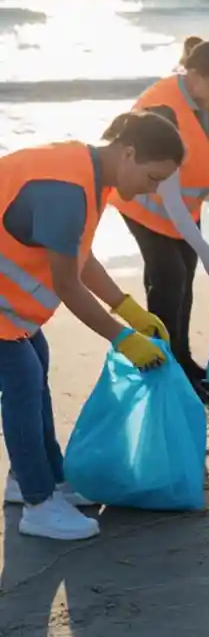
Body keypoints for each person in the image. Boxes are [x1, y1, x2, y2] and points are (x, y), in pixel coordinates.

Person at [0, 112, 185, 540]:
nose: (153, 190)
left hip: (8, 308)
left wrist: (127, 307)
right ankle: (38, 505)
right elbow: (67, 283)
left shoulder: (89, 173)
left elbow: (77, 255)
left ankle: (40, 479)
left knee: (36, 363)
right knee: (23, 376)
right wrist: (123, 337)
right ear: (129, 152)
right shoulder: (66, 190)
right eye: (154, 178)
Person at [111, 37, 209, 402]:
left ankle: (183, 362)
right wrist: (206, 250)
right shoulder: (164, 111)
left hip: (184, 209)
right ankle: (166, 372)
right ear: (194, 75)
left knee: (184, 277)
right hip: (146, 205)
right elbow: (167, 196)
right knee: (169, 278)